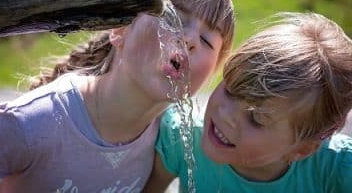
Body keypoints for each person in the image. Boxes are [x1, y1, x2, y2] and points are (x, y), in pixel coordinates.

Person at [0, 0, 235, 192]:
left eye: (206, 40)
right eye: (174, 19)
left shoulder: (169, 140)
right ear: (120, 30)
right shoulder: (33, 121)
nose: (189, 40)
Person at [146, 12, 352, 192]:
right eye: (230, 90)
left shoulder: (337, 169)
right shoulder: (182, 139)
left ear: (302, 149)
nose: (227, 114)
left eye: (256, 118)